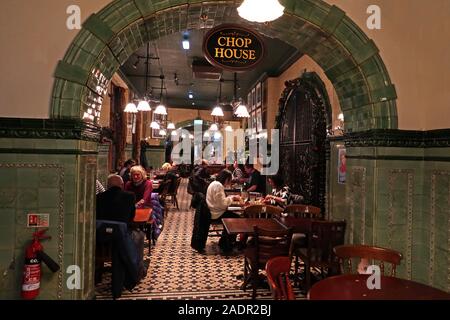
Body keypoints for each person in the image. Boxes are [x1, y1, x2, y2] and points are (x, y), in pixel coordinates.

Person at [206, 169, 242, 253]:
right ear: (226, 179)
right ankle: (227, 244)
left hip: (213, 210)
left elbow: (220, 201)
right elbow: (222, 204)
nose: (229, 183)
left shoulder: (214, 183)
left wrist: (230, 198)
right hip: (216, 213)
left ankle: (224, 241)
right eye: (229, 181)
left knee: (234, 216)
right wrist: (232, 198)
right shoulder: (218, 186)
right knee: (237, 219)